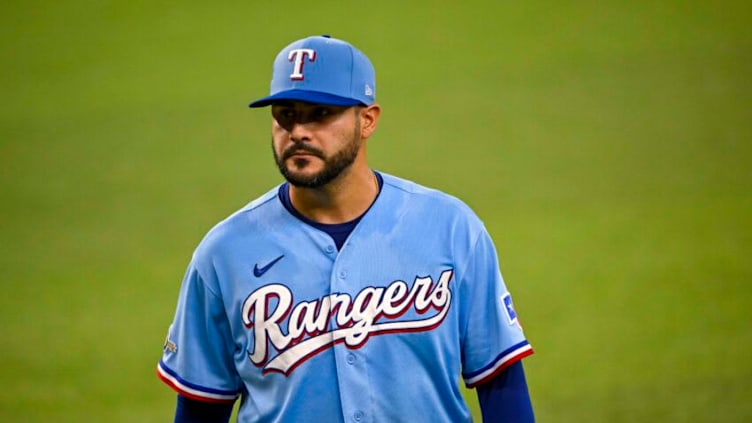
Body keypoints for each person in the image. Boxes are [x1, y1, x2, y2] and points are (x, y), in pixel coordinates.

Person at [157, 34, 535, 423]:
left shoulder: (452, 229)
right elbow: (201, 406)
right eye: (285, 114)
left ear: (367, 120)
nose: (299, 131)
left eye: (320, 113)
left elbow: (500, 380)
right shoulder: (224, 253)